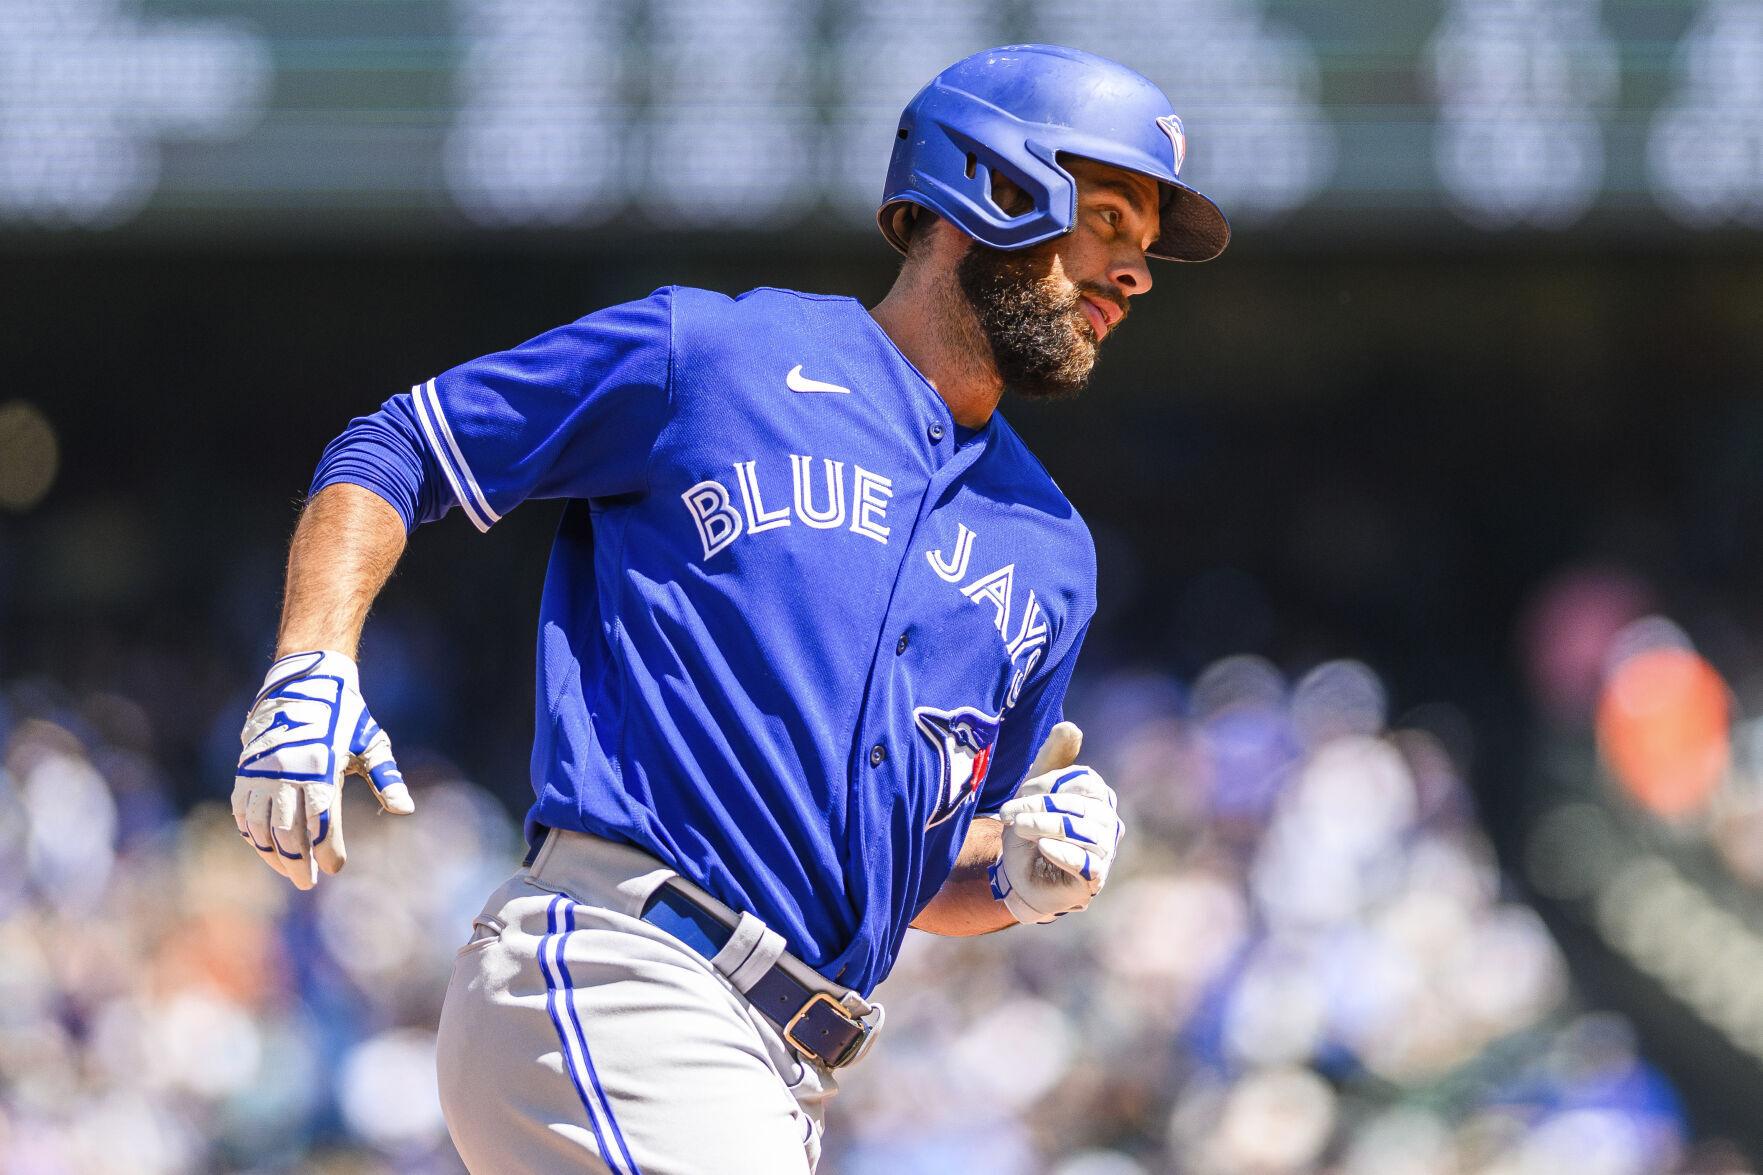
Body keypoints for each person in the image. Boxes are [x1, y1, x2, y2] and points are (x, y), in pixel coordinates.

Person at [231, 43, 1229, 1173]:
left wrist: (1014, 872)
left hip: (777, 1065)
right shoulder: (712, 357)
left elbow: (916, 875)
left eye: (1142, 251)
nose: (1133, 272)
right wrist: (310, 658)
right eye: (1106, 219)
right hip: (619, 970)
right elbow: (401, 442)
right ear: (994, 184)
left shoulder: (1048, 552)